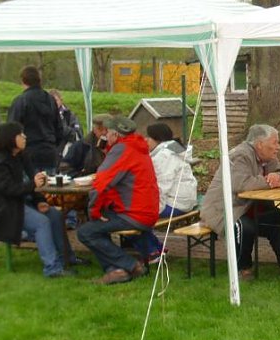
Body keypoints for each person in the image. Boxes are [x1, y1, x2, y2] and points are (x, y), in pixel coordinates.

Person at [199, 124, 280, 280]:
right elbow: (243, 184)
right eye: (275, 143)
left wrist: (278, 173)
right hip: (224, 209)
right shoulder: (240, 155)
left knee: (278, 217)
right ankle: (242, 268)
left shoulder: (266, 156)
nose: (278, 147)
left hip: (247, 208)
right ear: (259, 144)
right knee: (245, 226)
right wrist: (271, 181)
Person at [0, 122, 77, 278]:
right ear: (10, 139)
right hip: (4, 209)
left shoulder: (22, 156)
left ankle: (68, 257)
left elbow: (33, 180)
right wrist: (33, 185)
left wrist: (39, 200)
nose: (25, 137)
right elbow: (8, 189)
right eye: (21, 134)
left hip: (22, 202)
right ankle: (52, 268)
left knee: (55, 216)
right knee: (41, 223)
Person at [76, 116, 159, 285]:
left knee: (86, 231)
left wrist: (94, 212)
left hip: (134, 214)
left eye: (107, 133)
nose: (104, 136)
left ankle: (130, 265)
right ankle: (116, 271)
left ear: (115, 134)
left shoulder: (121, 150)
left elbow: (100, 185)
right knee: (99, 224)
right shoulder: (137, 147)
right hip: (146, 210)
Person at [134, 123, 199, 261]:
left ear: (157, 139)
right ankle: (157, 249)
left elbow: (162, 187)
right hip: (183, 199)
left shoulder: (164, 156)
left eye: (148, 137)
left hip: (176, 202)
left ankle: (152, 252)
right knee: (134, 213)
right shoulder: (171, 150)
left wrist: (152, 210)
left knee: (132, 216)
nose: (146, 140)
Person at [7, 65, 65, 172]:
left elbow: (11, 130)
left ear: (23, 81)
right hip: (49, 152)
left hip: (28, 153)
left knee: (29, 187)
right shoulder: (51, 100)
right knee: (48, 187)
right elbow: (60, 129)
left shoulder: (21, 101)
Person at [59, 113, 111, 177]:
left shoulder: (118, 146)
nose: (104, 133)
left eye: (107, 130)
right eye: (100, 129)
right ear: (94, 130)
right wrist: (80, 176)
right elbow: (64, 167)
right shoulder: (82, 145)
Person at [48, 89, 83, 154]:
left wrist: (61, 125)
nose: (53, 103)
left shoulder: (70, 115)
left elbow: (78, 134)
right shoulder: (44, 116)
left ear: (61, 101)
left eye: (55, 100)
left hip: (65, 152)